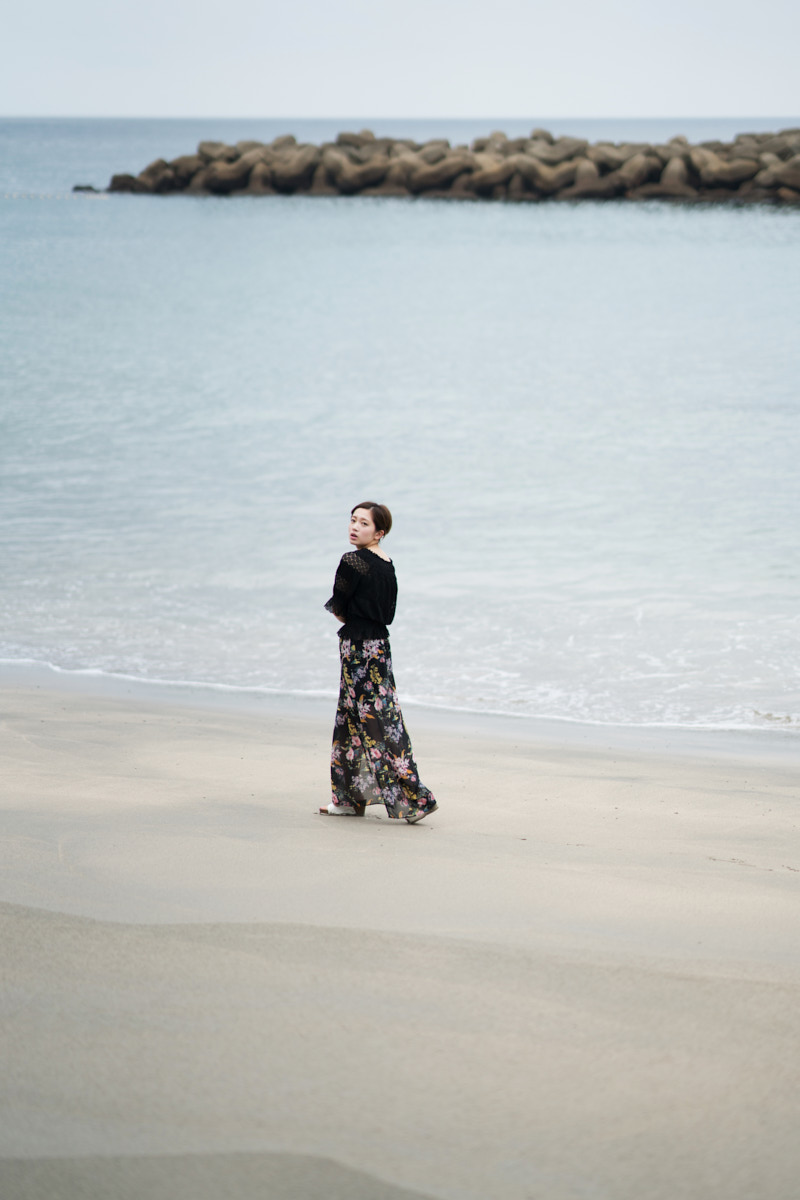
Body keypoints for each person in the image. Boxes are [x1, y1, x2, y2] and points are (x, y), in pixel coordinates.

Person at [320, 502, 438, 824]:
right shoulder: (388, 565)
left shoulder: (353, 561)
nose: (354, 527)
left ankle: (417, 798)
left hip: (357, 648)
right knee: (375, 717)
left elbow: (339, 608)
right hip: (380, 647)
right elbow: (388, 614)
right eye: (353, 520)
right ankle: (348, 799)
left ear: (379, 532)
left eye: (364, 523)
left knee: (369, 722)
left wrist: (352, 619)